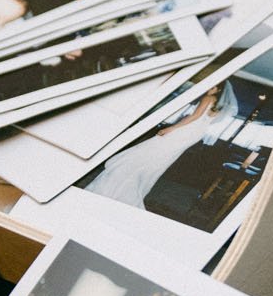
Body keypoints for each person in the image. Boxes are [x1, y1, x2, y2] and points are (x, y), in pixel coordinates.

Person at [85, 84, 238, 209]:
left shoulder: (208, 98)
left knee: (147, 152)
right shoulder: (219, 106)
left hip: (185, 131)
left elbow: (194, 116)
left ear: (218, 90)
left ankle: (119, 184)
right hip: (195, 134)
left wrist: (171, 128)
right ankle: (131, 187)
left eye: (213, 86)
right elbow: (202, 120)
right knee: (158, 159)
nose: (209, 87)